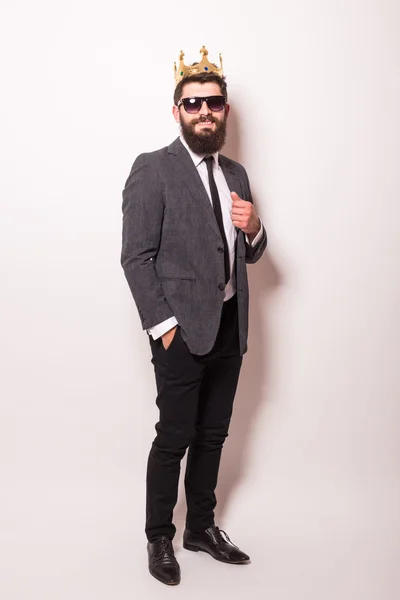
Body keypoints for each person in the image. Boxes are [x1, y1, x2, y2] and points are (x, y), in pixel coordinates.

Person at [121, 46, 267, 586]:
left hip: (231, 324)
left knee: (213, 434)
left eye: (213, 103)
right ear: (177, 111)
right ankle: (160, 535)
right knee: (175, 434)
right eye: (192, 103)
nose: (204, 111)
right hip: (180, 331)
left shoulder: (237, 173)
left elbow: (247, 253)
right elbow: (135, 256)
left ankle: (200, 527)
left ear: (225, 110)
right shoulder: (152, 169)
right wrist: (165, 330)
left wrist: (254, 228)